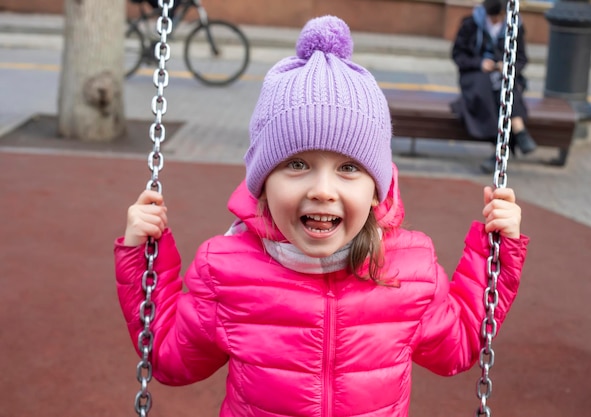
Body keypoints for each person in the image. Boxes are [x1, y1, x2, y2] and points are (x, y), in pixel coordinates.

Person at [115, 15, 529, 416]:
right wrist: (142, 257)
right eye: (296, 164)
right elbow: (169, 358)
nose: (322, 190)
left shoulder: (411, 270)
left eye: (348, 168)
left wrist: (496, 255)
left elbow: (458, 347)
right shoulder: (225, 270)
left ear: (376, 190)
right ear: (262, 182)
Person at [451, 0, 537, 173]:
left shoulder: (515, 26)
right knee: (489, 93)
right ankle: (518, 131)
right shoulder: (471, 24)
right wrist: (480, 63)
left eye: (500, 16)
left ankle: (501, 150)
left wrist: (505, 66)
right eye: (493, 16)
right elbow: (457, 54)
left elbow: (521, 59)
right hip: (476, 75)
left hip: (502, 74)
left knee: (506, 87)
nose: (497, 20)